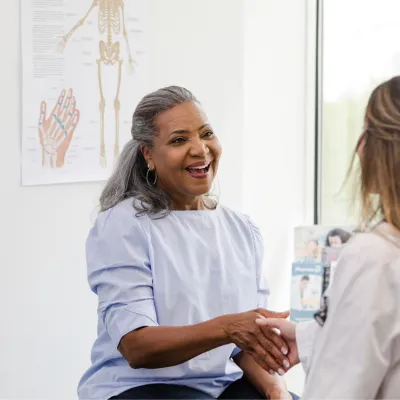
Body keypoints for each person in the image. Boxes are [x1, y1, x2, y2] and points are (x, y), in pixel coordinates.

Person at [77, 86, 299, 400]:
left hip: (221, 386)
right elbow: (137, 347)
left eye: (206, 133)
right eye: (179, 140)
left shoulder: (242, 229)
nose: (200, 149)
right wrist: (227, 327)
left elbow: (247, 344)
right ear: (148, 154)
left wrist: (277, 390)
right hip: (142, 387)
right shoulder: (125, 225)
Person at [256, 76, 400, 398]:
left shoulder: (375, 257)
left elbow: (339, 389)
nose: (359, 147)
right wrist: (308, 337)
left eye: (368, 132)